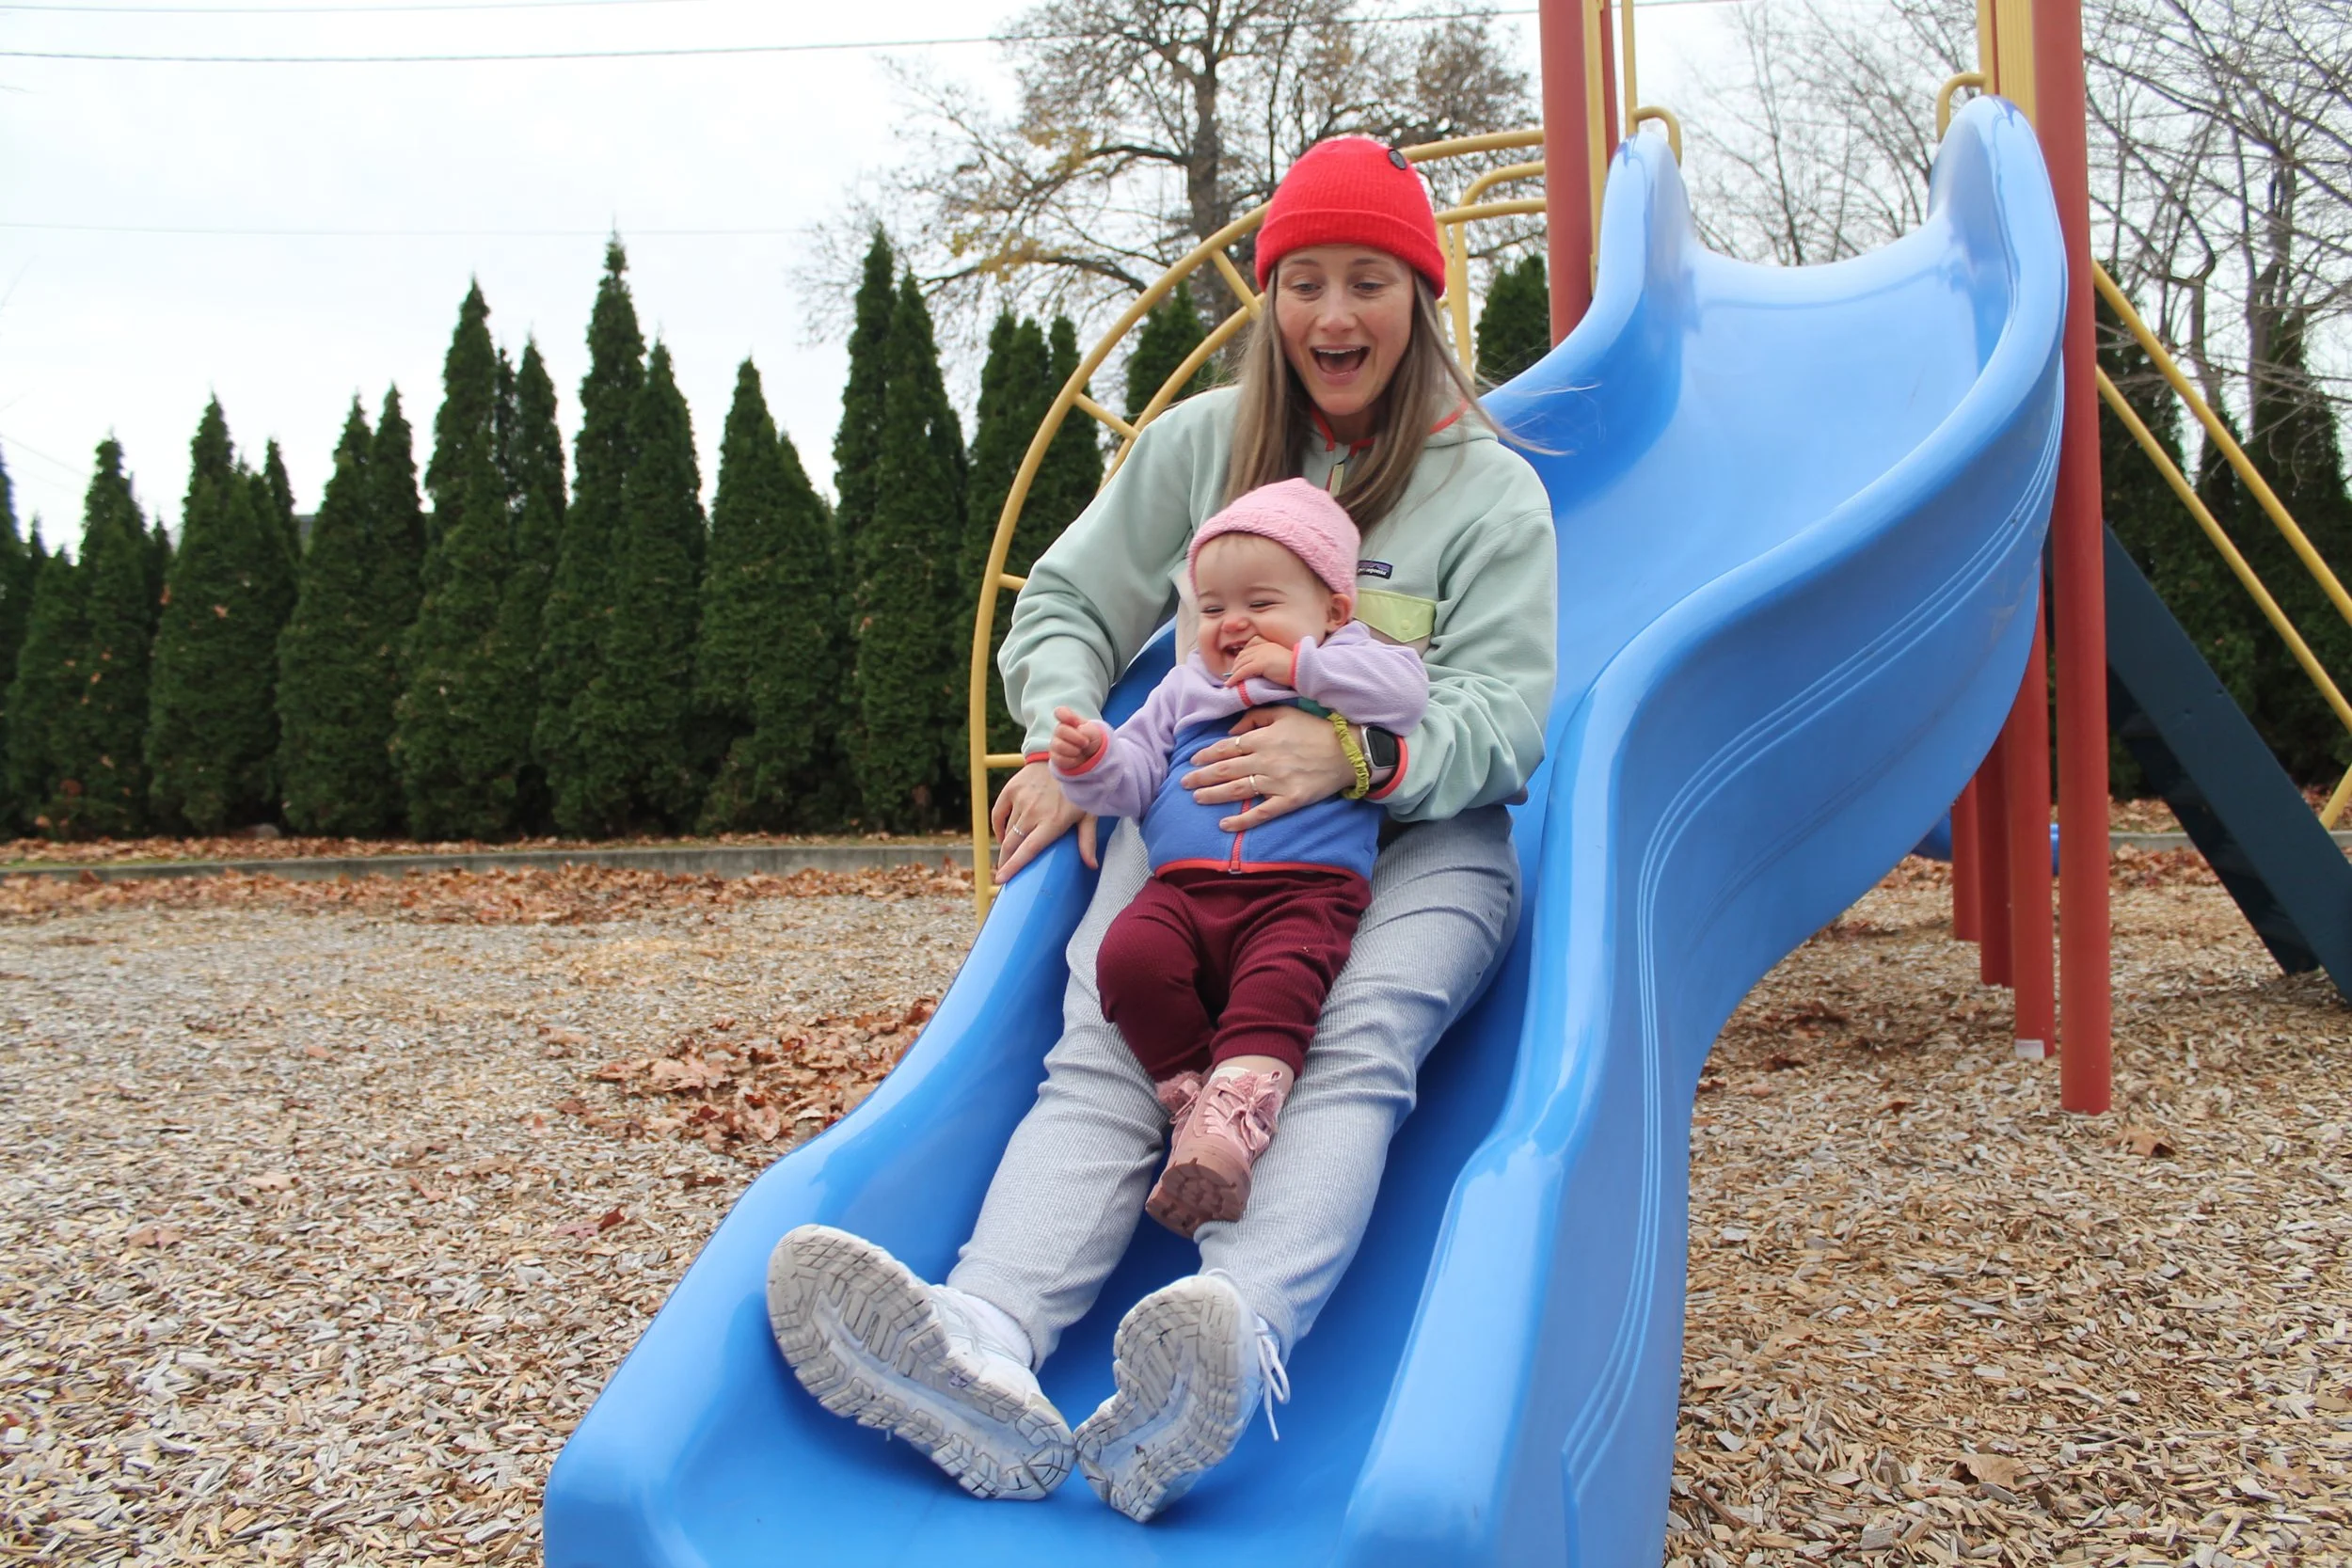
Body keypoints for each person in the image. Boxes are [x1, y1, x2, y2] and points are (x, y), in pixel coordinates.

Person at [766, 133, 1558, 1524]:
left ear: (1418, 299)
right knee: (1106, 1038)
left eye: (1368, 281)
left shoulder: (1485, 489)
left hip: (1416, 845)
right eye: (1301, 282)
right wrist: (1070, 735)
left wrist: (1353, 750)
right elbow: (1066, 602)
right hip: (1198, 827)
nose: (1331, 316)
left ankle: (1227, 1338)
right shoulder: (1201, 451)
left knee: (1352, 1039)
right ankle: (984, 1333)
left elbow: (1505, 715)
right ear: (1266, 304)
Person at [1047, 477, 1429, 1239]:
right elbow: (1136, 776)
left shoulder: (1350, 663)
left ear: (1334, 609)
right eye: (1213, 607)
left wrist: (1305, 671)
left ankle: (1236, 1116)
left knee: (1277, 989)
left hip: (1303, 892)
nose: (1232, 624)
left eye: (1260, 602)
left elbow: (1407, 697)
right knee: (1124, 960)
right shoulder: (1188, 685)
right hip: (1182, 889)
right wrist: (1092, 760)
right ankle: (1200, 1102)